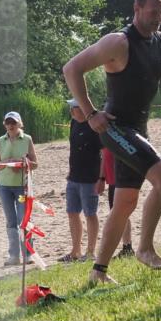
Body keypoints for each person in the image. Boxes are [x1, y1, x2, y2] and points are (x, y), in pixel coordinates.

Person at [63, 0, 161, 284]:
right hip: (114, 127)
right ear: (137, 9)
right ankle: (145, 249)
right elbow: (71, 68)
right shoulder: (118, 43)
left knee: (125, 201)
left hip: (139, 129)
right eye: (153, 12)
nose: (158, 19)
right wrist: (90, 114)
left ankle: (98, 272)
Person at [60, 98, 103, 262]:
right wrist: (70, 171)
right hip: (73, 177)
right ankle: (75, 251)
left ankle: (91, 252)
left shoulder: (95, 125)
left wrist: (101, 178)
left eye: (74, 108)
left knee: (90, 214)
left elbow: (104, 154)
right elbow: (74, 149)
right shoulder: (74, 123)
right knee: (72, 213)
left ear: (84, 109)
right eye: (71, 108)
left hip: (90, 178)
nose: (71, 111)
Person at [0, 112, 39, 266]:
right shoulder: (0, 140)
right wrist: (9, 162)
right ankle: (13, 256)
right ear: (4, 124)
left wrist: (23, 164)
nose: (10, 125)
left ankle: (28, 254)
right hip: (4, 186)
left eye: (13, 122)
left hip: (22, 186)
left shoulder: (27, 139)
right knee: (10, 221)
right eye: (8, 122)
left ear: (20, 123)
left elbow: (35, 163)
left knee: (24, 220)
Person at [101, 147, 134, 258]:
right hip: (112, 181)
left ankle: (127, 247)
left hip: (120, 180)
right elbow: (104, 158)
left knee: (121, 213)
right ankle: (127, 246)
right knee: (119, 213)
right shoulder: (105, 137)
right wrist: (101, 178)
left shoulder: (117, 137)